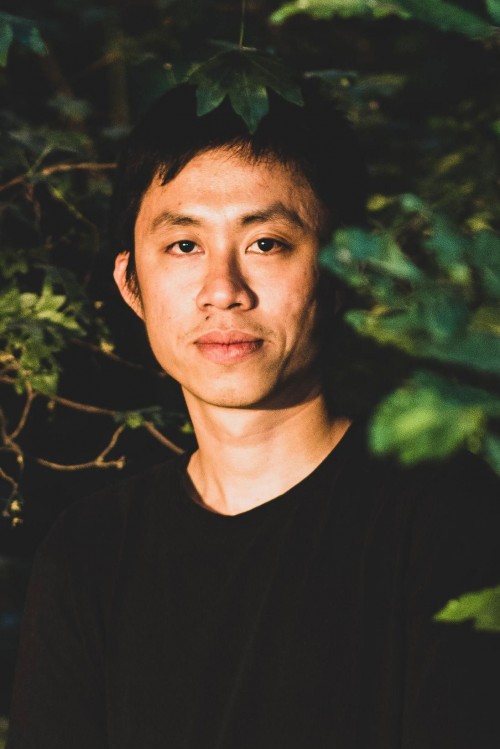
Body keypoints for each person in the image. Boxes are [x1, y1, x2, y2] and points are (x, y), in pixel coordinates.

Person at [7, 81, 500, 749]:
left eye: (266, 243)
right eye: (184, 246)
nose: (223, 291)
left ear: (342, 273)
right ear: (131, 284)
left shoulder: (449, 519)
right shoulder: (89, 553)